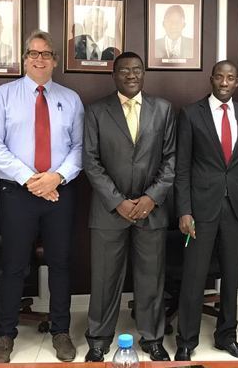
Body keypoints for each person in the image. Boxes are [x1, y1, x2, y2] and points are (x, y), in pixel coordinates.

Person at [0, 30, 84, 363]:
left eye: (46, 53)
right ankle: (5, 334)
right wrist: (31, 179)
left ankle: (60, 331)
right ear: (24, 58)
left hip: (60, 191)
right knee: (14, 265)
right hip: (16, 192)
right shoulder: (2, 96)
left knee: (60, 263)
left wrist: (57, 177)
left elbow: (80, 147)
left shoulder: (71, 99)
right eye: (33, 53)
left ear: (55, 60)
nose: (39, 59)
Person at [83, 51, 176, 362]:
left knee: (151, 278)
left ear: (144, 73)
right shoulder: (96, 111)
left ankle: (152, 338)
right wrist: (117, 201)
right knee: (104, 279)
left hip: (152, 210)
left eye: (137, 69)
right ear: (114, 75)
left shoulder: (163, 109)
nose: (131, 75)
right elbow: (91, 161)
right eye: (124, 70)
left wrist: (151, 198)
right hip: (109, 210)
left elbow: (171, 159)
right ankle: (99, 338)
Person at [174, 60, 238, 362]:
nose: (224, 82)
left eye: (230, 78)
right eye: (219, 77)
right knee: (194, 276)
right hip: (200, 209)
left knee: (232, 276)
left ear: (237, 82)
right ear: (211, 79)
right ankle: (186, 341)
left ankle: (227, 337)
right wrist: (184, 210)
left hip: (235, 207)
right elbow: (182, 168)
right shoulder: (190, 114)